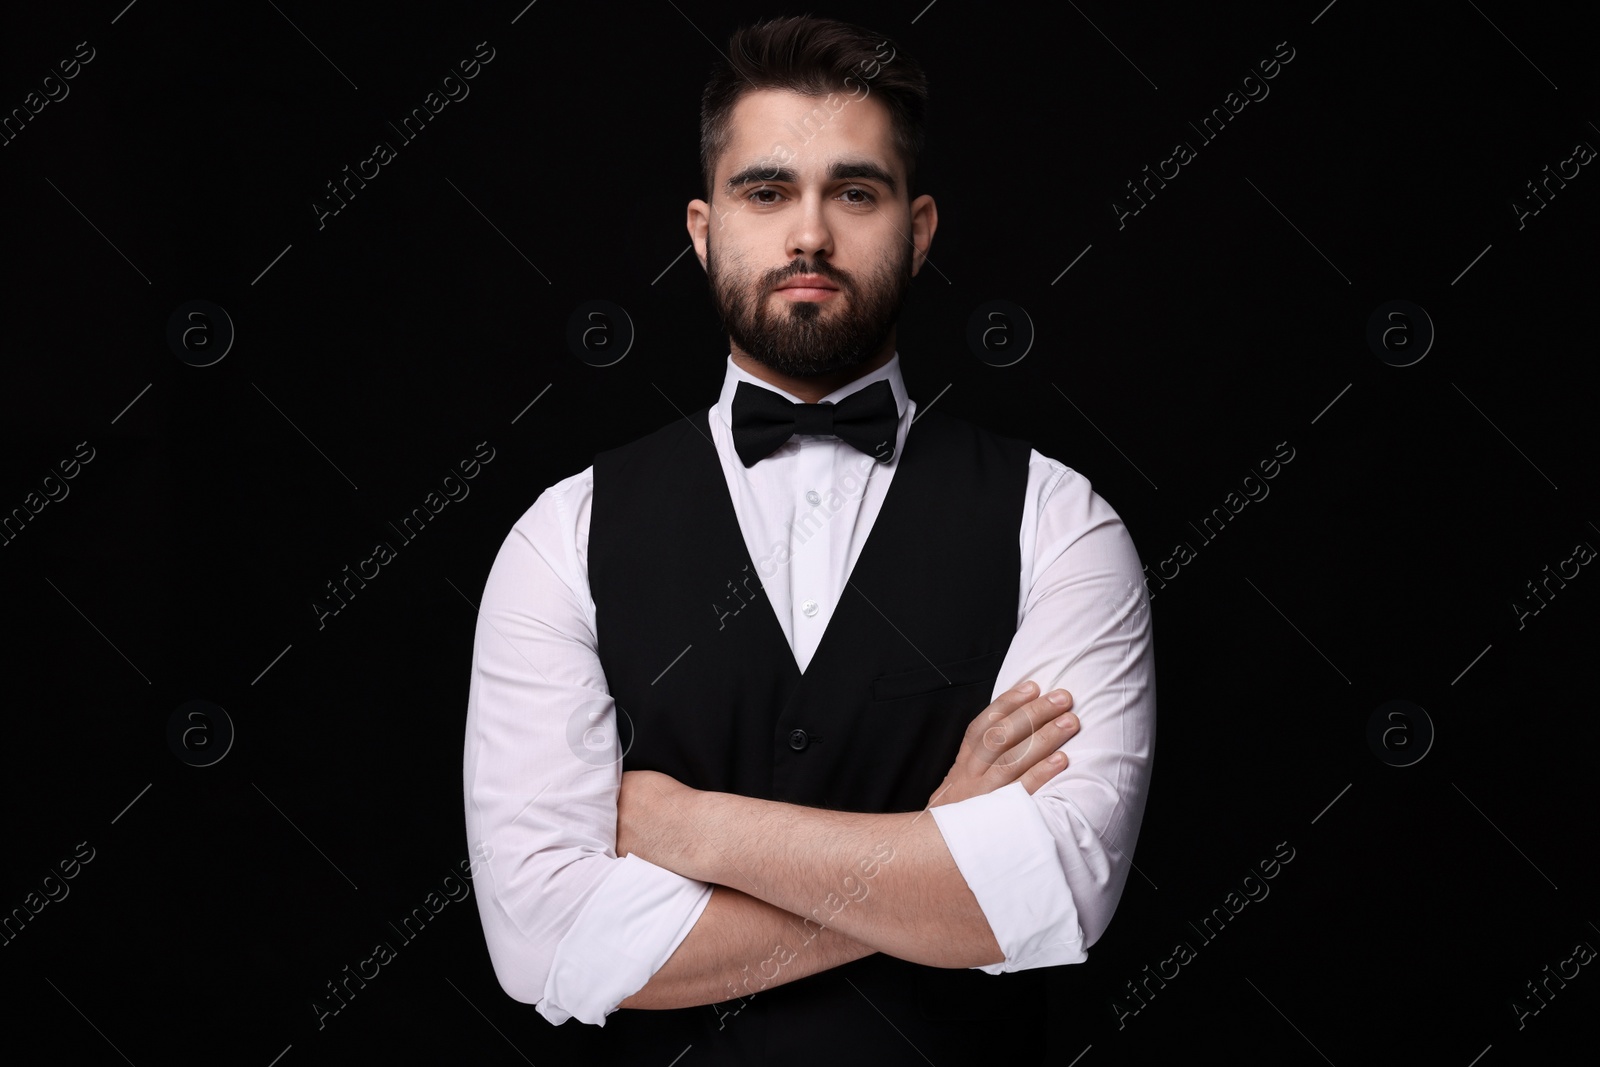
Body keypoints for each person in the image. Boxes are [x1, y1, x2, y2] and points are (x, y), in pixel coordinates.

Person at [462, 15, 1156, 1063]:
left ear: (920, 228)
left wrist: (688, 828)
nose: (809, 236)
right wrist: (933, 850)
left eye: (856, 192)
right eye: (766, 190)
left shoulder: (1059, 522)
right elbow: (544, 941)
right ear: (701, 229)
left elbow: (1053, 888)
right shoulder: (563, 535)